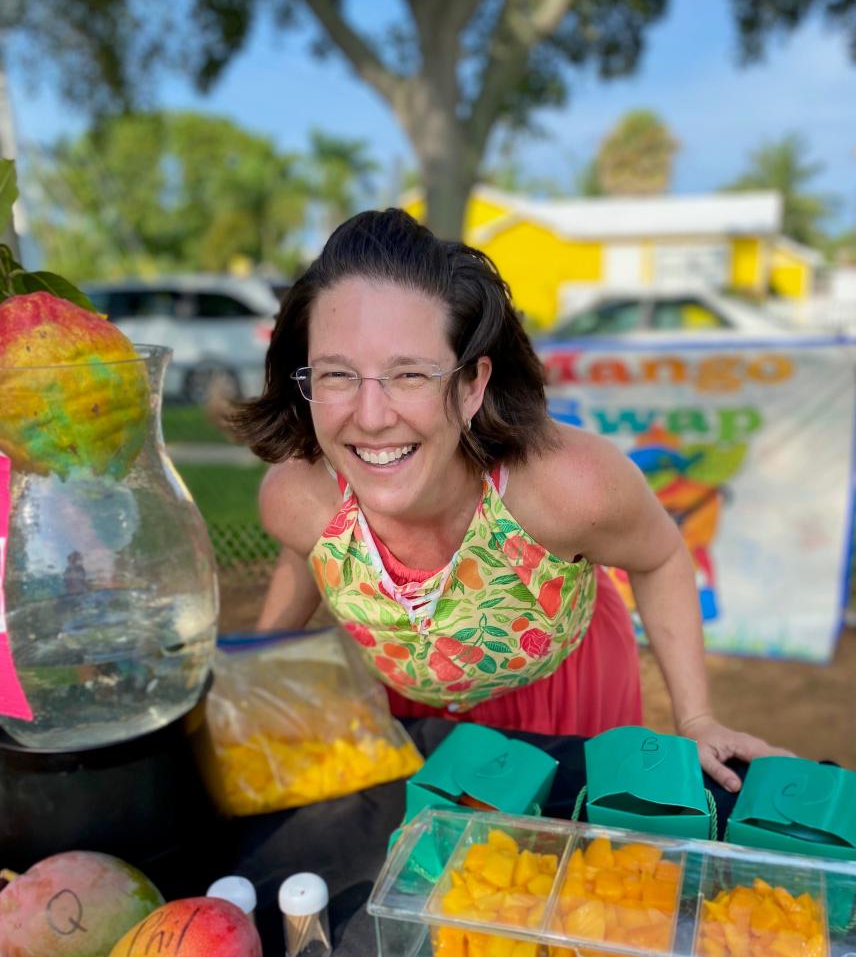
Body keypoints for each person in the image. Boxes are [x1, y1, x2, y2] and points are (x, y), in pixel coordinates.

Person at [235, 208, 786, 792]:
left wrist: (696, 718)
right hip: (410, 722)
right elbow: (307, 555)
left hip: (563, 711)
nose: (370, 418)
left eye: (410, 376)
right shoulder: (296, 499)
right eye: (338, 375)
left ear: (472, 384)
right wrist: (253, 680)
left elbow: (662, 557)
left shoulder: (571, 489)